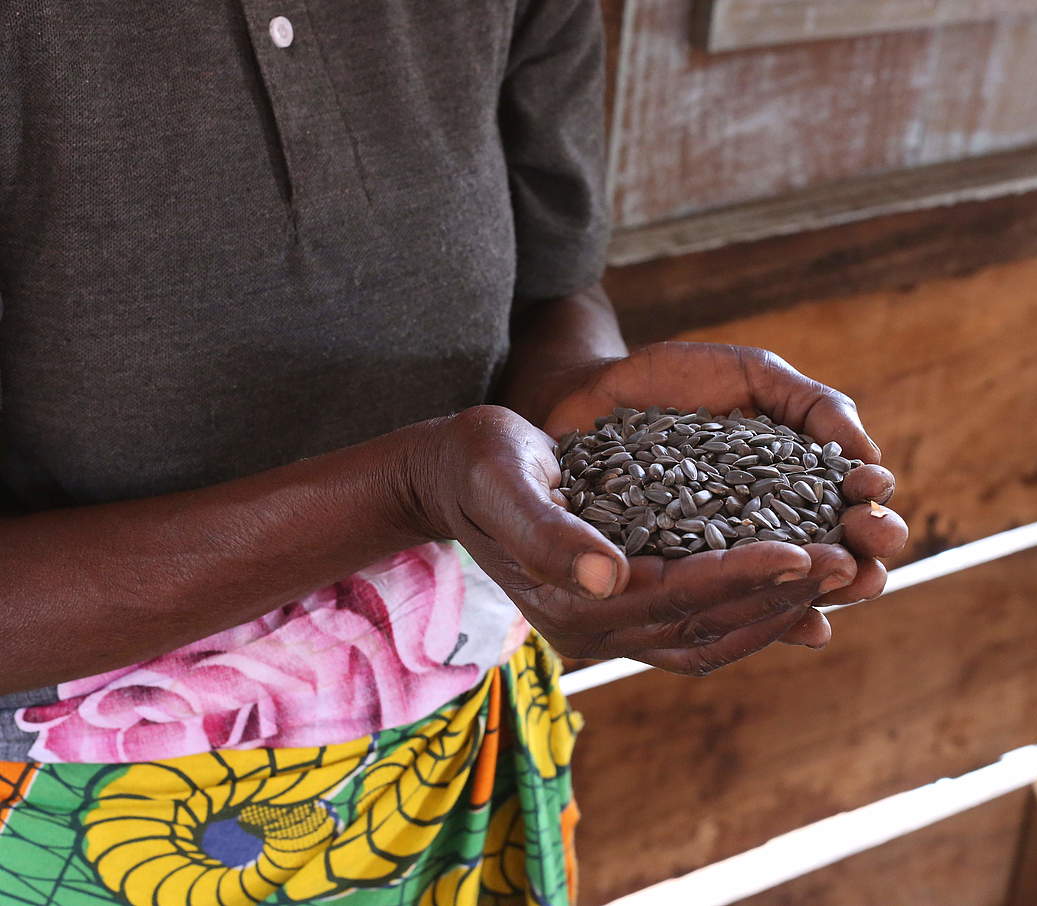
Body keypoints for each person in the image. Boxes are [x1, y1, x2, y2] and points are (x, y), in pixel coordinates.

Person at [0, 2, 907, 904]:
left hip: (463, 752)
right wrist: (411, 487)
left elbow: (555, 286)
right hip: (75, 827)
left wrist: (583, 422)